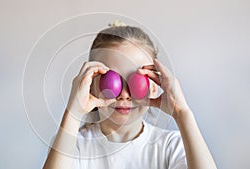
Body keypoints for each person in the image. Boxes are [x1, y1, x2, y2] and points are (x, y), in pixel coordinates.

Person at [43, 20, 217, 169]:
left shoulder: (170, 145)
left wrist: (182, 113)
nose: (124, 95)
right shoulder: (74, 144)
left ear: (155, 86)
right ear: (91, 86)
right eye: (111, 81)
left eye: (137, 82)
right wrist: (73, 113)